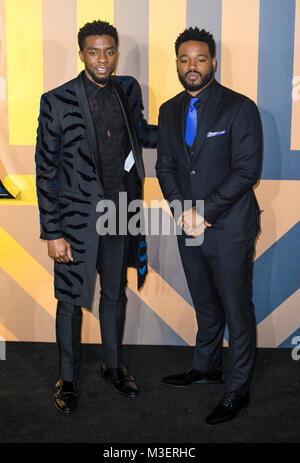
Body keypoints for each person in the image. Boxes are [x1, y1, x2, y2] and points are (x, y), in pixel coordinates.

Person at [35, 20, 157, 414]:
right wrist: (52, 230)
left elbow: (141, 134)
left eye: (109, 51)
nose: (102, 59)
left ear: (116, 52)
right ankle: (67, 378)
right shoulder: (56, 100)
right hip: (74, 220)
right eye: (94, 51)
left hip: (119, 211)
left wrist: (188, 125)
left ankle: (113, 364)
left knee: (114, 293)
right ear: (81, 53)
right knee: (70, 300)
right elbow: (46, 170)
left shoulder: (128, 89)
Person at [156, 27, 262, 425]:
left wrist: (206, 212)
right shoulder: (169, 110)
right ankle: (206, 367)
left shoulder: (239, 107)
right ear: (178, 64)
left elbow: (247, 171)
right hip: (188, 223)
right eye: (184, 59)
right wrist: (182, 209)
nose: (192, 66)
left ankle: (238, 389)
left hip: (229, 226)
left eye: (200, 59)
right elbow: (165, 166)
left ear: (213, 62)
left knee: (237, 309)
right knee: (205, 303)